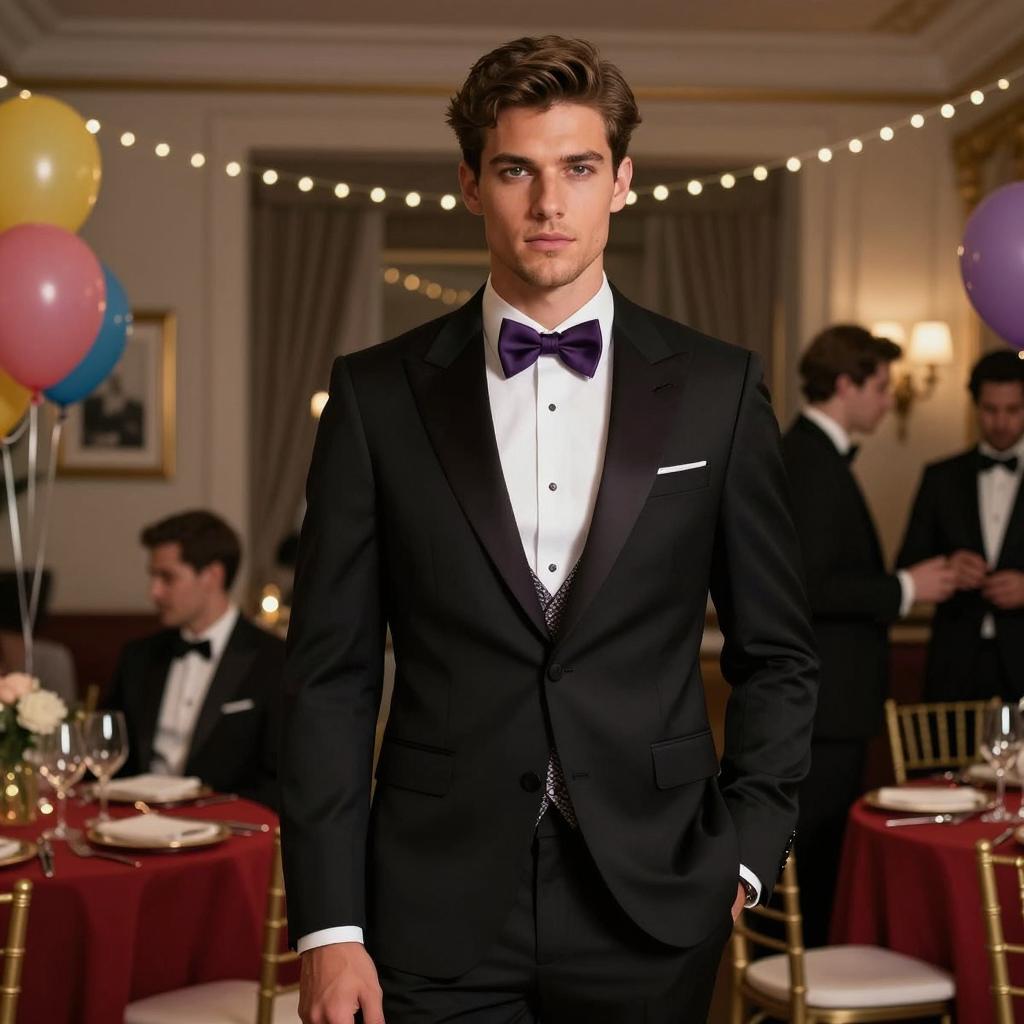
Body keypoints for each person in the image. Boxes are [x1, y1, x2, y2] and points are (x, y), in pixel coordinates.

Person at [282, 35, 818, 1024]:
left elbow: (778, 651)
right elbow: (328, 678)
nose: (546, 203)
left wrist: (746, 849)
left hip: (655, 893)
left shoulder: (717, 387)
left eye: (576, 169)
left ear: (620, 182)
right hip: (430, 903)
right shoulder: (373, 395)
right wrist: (328, 926)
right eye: (515, 170)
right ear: (471, 184)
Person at [781, 324, 956, 947]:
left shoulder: (816, 456)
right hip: (824, 704)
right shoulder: (810, 462)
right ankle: (812, 985)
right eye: (880, 387)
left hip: (833, 703)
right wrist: (906, 588)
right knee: (816, 856)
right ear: (845, 384)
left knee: (821, 854)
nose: (888, 401)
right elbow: (813, 588)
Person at [106, 510, 283, 807]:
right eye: (153, 577)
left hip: (226, 829)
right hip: (133, 826)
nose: (154, 592)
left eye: (167, 577)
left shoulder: (274, 659)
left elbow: (279, 780)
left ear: (212, 576)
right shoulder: (138, 656)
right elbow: (109, 755)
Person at [898, 349, 1024, 702]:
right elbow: (906, 563)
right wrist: (949, 569)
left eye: (1013, 410)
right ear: (975, 406)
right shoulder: (940, 477)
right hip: (955, 665)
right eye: (990, 410)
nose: (1001, 422)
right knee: (951, 759)